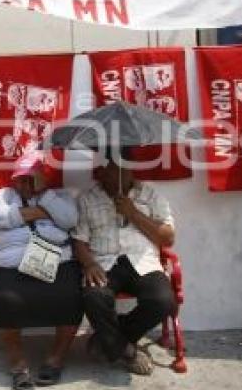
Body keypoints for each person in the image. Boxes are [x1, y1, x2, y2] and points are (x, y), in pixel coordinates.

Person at [72, 147, 176, 376]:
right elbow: (79, 240)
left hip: (143, 262)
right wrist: (89, 263)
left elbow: (167, 238)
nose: (113, 175)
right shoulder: (87, 199)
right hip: (105, 262)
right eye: (110, 168)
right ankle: (127, 351)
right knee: (94, 296)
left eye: (121, 169)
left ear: (131, 172)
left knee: (163, 300)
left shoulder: (150, 195)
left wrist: (133, 213)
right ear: (102, 170)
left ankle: (107, 338)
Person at [0, 154, 82, 390]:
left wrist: (46, 197)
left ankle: (56, 359)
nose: (26, 185)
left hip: (57, 261)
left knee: (72, 296)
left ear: (42, 179)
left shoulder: (60, 196)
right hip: (11, 265)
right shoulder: (2, 197)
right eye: (21, 179)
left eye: (32, 179)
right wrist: (44, 213)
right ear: (14, 179)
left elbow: (70, 220)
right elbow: (0, 219)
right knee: (7, 300)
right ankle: (18, 365)